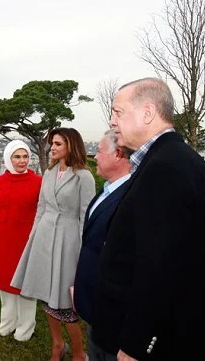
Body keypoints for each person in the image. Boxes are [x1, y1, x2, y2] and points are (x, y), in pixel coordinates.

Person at [91, 77, 205, 361]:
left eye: (118, 112)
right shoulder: (169, 159)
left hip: (134, 340)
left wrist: (136, 344)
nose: (112, 121)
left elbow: (160, 268)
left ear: (148, 112)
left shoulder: (165, 168)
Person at [11, 127, 95, 361]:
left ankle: (79, 353)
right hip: (44, 239)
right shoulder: (48, 173)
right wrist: (33, 238)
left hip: (68, 242)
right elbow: (41, 208)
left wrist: (81, 253)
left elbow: (85, 216)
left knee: (66, 304)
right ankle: (57, 345)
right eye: (52, 144)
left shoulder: (83, 176)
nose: (53, 148)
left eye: (58, 143)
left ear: (71, 145)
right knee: (47, 298)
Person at [72, 129, 131, 357]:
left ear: (118, 154)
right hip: (95, 308)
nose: (94, 156)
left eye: (98, 151)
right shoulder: (105, 191)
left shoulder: (129, 197)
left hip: (113, 315)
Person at [0, 140, 42, 341]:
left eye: (25, 156)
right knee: (5, 283)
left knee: (26, 286)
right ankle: (7, 324)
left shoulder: (38, 181)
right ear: (9, 158)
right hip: (3, 240)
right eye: (17, 156)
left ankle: (25, 329)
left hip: (26, 240)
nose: (22, 161)